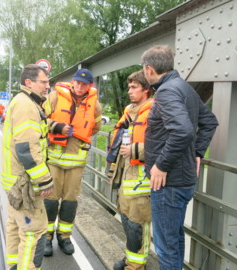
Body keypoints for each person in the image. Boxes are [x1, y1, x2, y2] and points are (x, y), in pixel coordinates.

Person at [141, 45, 218, 270]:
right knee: (174, 238)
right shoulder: (183, 87)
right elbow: (209, 122)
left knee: (165, 245)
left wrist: (161, 165)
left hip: (169, 182)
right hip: (182, 180)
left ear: (149, 69)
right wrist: (196, 152)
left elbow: (183, 130)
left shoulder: (166, 91)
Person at [42, 68, 102, 256]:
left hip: (76, 162)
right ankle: (47, 236)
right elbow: (41, 119)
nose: (79, 86)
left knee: (70, 201)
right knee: (50, 200)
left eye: (83, 84)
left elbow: (95, 128)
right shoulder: (54, 97)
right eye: (76, 82)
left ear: (89, 86)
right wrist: (56, 126)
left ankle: (64, 236)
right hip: (54, 159)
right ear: (73, 82)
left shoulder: (96, 106)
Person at [1, 64, 53, 270]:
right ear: (29, 83)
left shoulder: (24, 101)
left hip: (14, 180)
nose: (48, 86)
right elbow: (27, 149)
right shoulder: (26, 105)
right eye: (44, 82)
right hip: (25, 184)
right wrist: (45, 180)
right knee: (35, 232)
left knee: (15, 226)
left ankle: (14, 266)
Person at [107, 70, 153, 270]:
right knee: (126, 220)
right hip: (126, 175)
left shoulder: (155, 111)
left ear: (147, 90)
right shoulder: (130, 112)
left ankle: (137, 266)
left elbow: (163, 145)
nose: (129, 92)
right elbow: (115, 138)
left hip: (142, 180)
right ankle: (130, 260)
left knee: (138, 224)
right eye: (129, 87)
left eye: (134, 87)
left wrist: (134, 149)